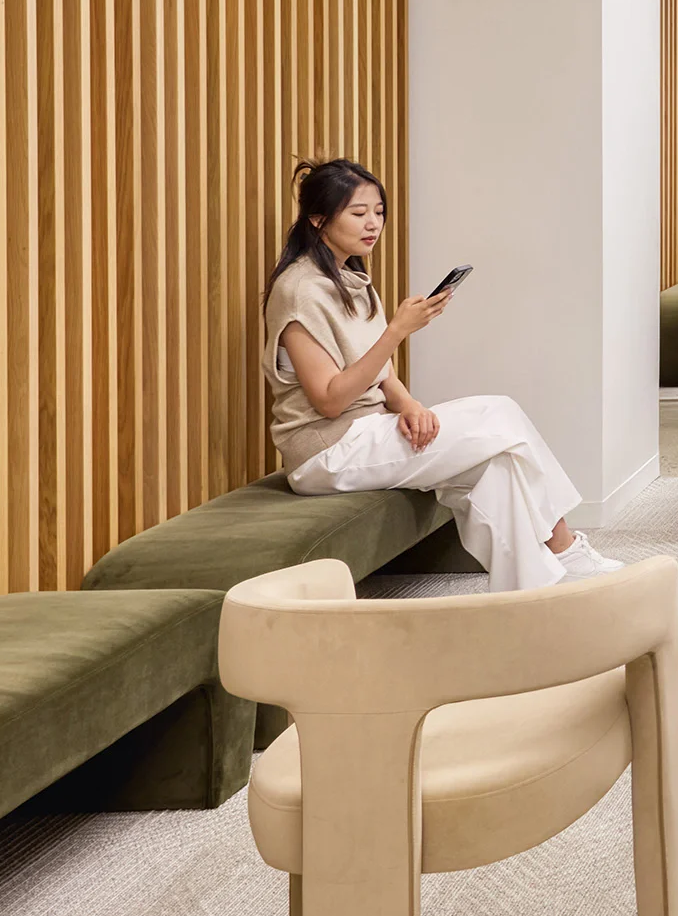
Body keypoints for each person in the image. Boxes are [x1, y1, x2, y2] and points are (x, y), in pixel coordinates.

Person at [262, 158, 620, 591]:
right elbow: (330, 400)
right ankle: (566, 549)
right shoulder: (298, 290)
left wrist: (411, 406)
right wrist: (397, 330)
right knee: (501, 414)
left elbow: (382, 377)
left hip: (368, 432)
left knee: (499, 469)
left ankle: (529, 595)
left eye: (378, 211)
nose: (373, 223)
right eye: (358, 213)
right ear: (319, 219)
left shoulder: (352, 279)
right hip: (328, 450)